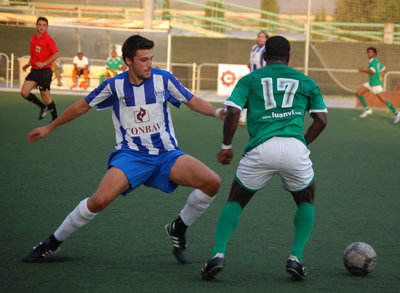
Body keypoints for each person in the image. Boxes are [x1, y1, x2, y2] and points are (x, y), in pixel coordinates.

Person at [23, 35, 226, 264]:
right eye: (143, 60)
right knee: (98, 201)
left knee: (212, 182)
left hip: (166, 154)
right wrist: (50, 127)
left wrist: (219, 113)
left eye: (151, 58)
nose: (149, 64)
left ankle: (178, 227)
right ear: (128, 61)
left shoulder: (164, 79)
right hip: (131, 155)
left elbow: (192, 100)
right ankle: (52, 243)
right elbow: (82, 106)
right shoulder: (114, 85)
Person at [201, 36, 328, 281]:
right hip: (294, 149)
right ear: (289, 58)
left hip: (261, 148)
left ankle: (217, 254)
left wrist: (226, 146)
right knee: (306, 199)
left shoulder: (249, 79)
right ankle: (296, 258)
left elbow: (233, 113)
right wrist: (300, 142)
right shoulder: (306, 81)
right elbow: (321, 120)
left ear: (264, 56)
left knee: (236, 200)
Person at [20, 16, 59, 122]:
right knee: (24, 92)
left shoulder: (48, 40)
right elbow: (34, 54)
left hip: (44, 72)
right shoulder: (34, 37)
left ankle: (55, 118)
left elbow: (56, 54)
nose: (42, 27)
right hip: (34, 71)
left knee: (45, 96)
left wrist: (45, 63)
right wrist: (28, 64)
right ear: (36, 25)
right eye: (40, 24)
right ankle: (43, 107)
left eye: (44, 25)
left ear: (47, 27)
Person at [356, 47, 400, 123]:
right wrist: (380, 75)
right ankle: (368, 110)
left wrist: (362, 70)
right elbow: (384, 69)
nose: (369, 54)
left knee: (382, 99)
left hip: (375, 84)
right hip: (371, 83)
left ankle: (396, 113)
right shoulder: (375, 62)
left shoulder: (373, 62)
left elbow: (372, 71)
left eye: (371, 52)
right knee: (359, 93)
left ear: (375, 54)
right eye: (368, 52)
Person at [240, 31, 269, 126]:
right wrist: (250, 65)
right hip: (252, 76)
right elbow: (253, 60)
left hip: (262, 78)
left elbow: (267, 63)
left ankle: (264, 118)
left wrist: (262, 68)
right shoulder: (254, 47)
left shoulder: (266, 49)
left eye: (262, 37)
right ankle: (243, 118)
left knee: (262, 99)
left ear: (266, 39)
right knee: (247, 96)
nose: (260, 38)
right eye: (258, 36)